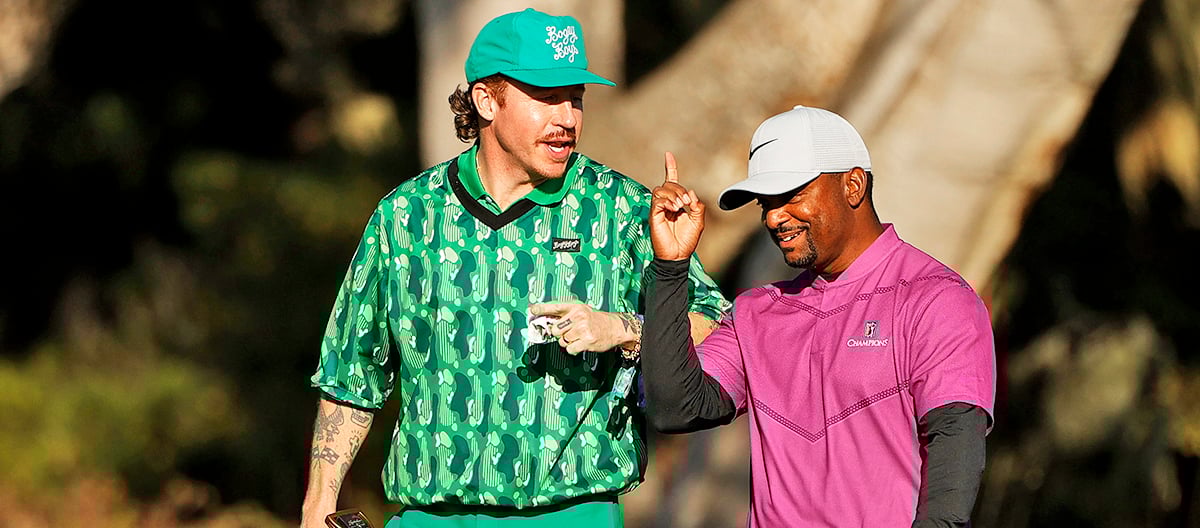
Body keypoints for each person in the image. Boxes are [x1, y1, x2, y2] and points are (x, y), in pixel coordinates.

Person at [299, 8, 730, 528]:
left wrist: (622, 328)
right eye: (547, 98)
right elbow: (352, 373)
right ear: (486, 100)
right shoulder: (406, 216)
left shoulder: (623, 210)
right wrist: (317, 506)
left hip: (574, 514)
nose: (567, 118)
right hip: (431, 517)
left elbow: (717, 327)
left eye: (576, 98)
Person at [642, 105, 996, 527]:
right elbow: (675, 408)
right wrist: (670, 267)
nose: (773, 217)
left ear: (852, 185)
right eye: (765, 203)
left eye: (791, 195)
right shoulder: (756, 313)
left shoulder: (936, 299)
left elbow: (954, 454)